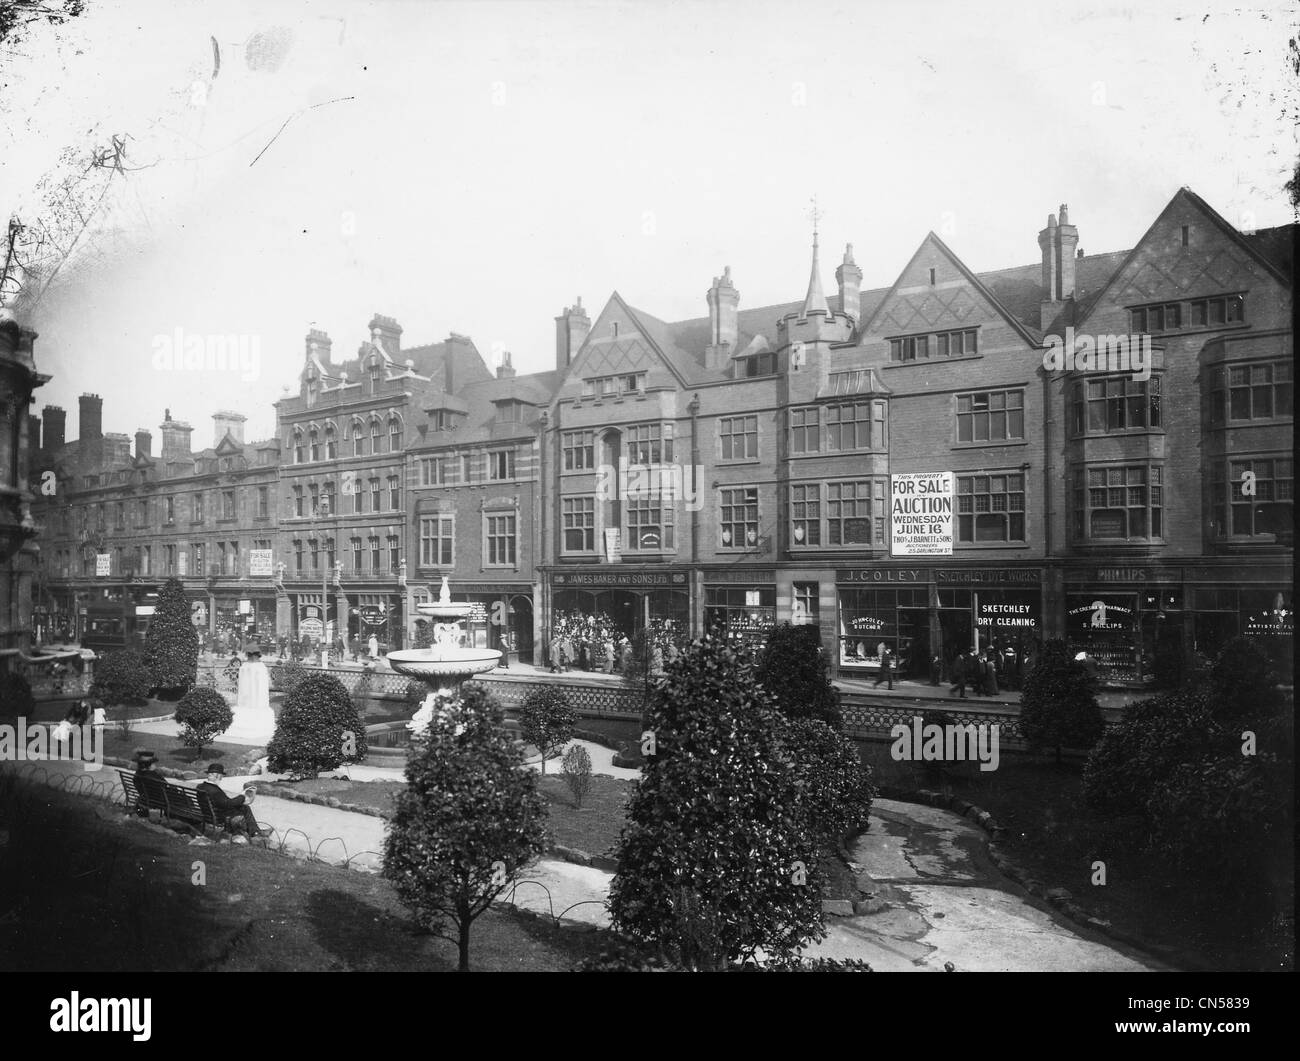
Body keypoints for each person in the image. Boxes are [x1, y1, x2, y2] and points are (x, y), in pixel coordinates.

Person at [196, 763, 269, 840]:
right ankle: (255, 833)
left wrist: (238, 799)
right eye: (221, 776)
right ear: (217, 776)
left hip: (208, 814)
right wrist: (242, 795)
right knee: (245, 808)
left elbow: (223, 802)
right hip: (219, 816)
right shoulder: (215, 791)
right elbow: (228, 804)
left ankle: (255, 831)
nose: (221, 778)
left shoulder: (201, 786)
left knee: (243, 807)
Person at [132, 749, 168, 818]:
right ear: (149, 765)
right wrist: (154, 772)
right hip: (159, 801)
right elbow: (165, 784)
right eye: (152, 763)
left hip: (146, 798)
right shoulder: (152, 775)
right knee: (184, 799)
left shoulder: (138, 774)